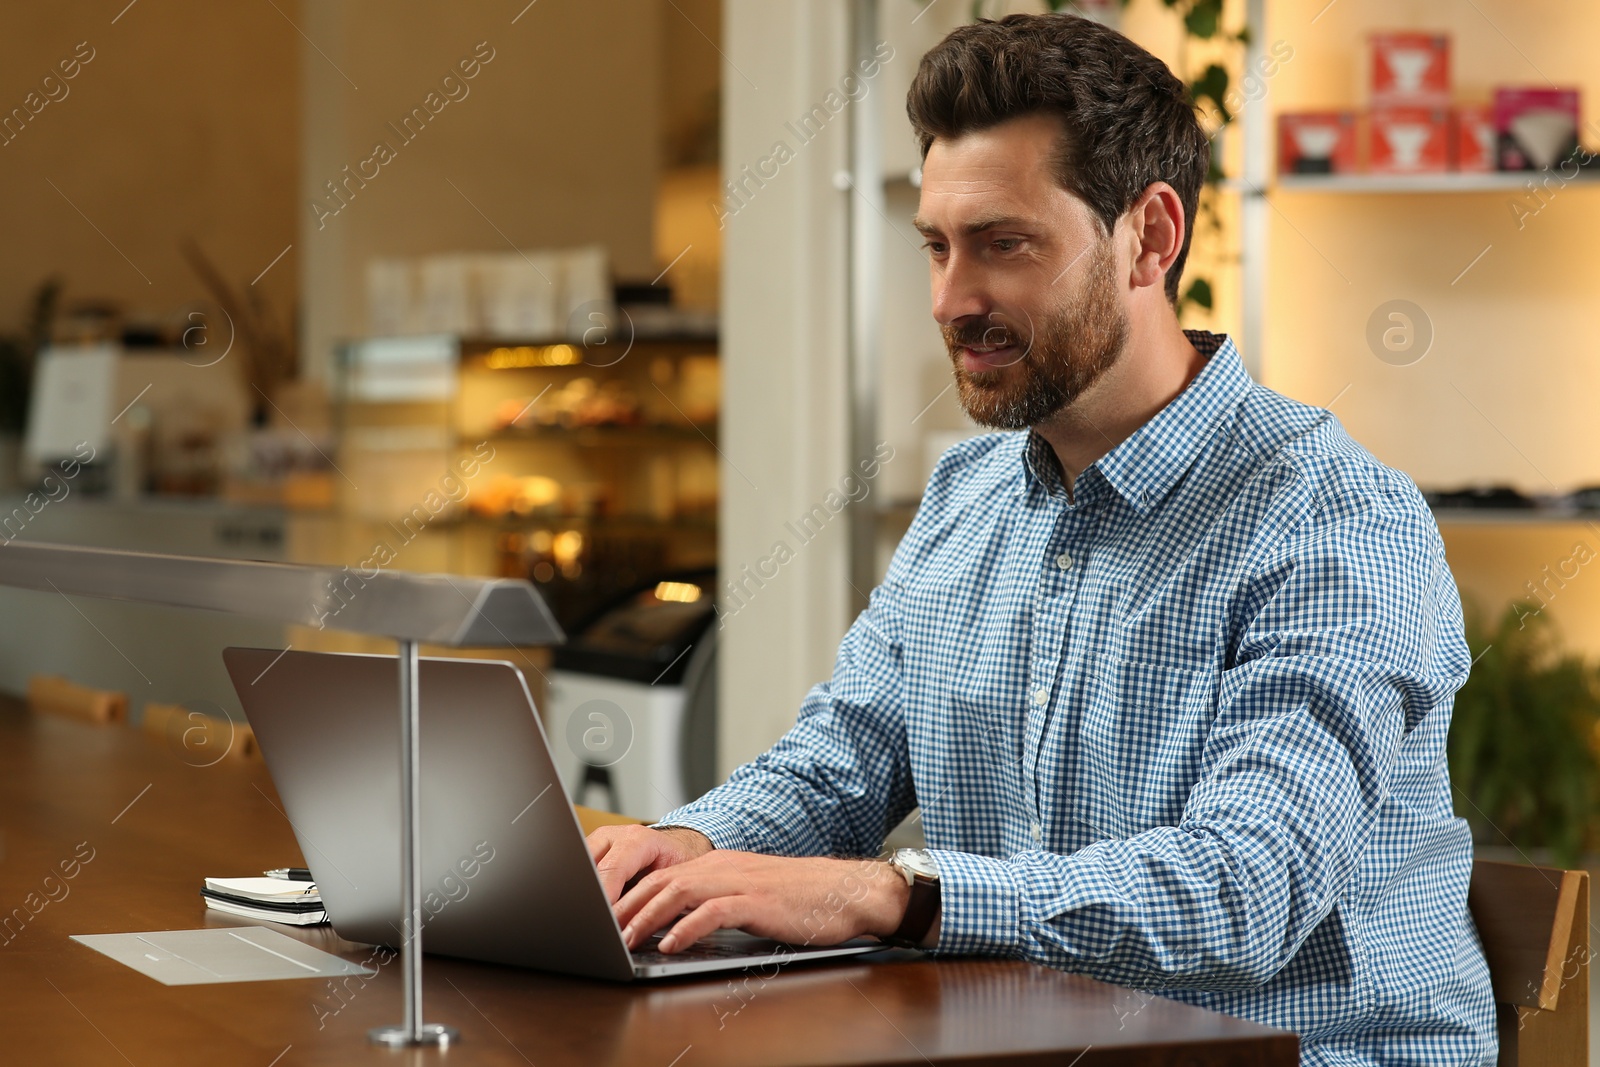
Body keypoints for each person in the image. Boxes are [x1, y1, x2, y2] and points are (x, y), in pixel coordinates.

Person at [588, 13, 1495, 1064]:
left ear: (1149, 237)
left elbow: (1247, 887)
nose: (949, 300)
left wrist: (894, 894)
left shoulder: (1331, 518)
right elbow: (841, 762)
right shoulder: (968, 492)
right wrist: (673, 847)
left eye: (1002, 244)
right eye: (936, 245)